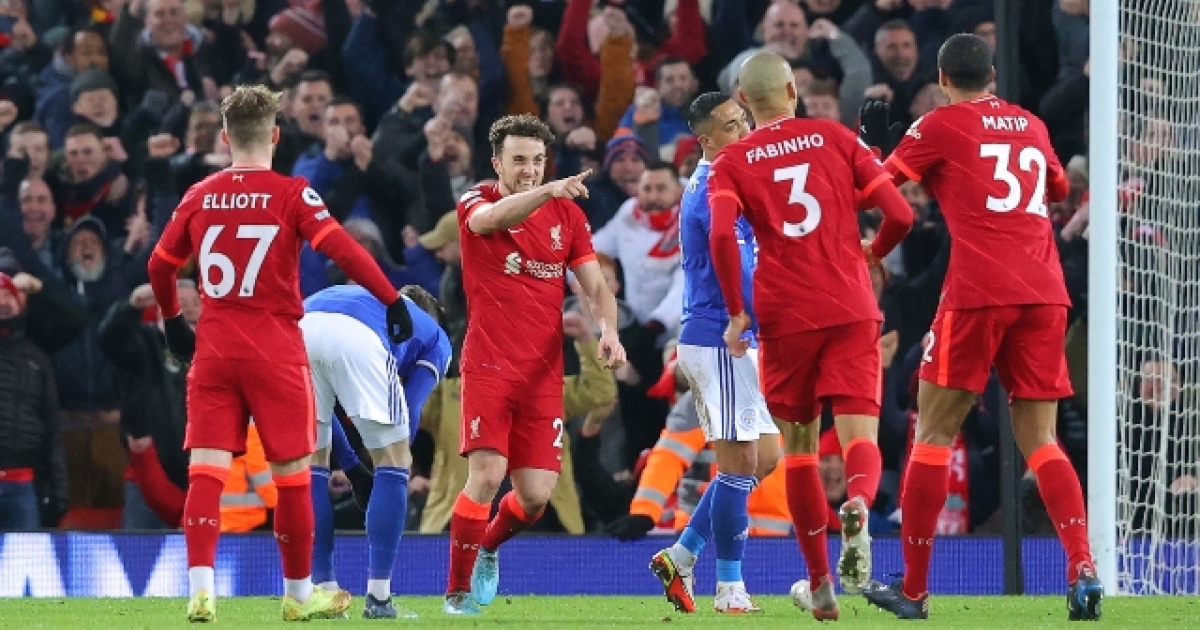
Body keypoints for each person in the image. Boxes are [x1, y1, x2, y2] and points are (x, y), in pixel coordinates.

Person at [146, 84, 415, 623]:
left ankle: (201, 592)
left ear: (226, 139)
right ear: (274, 136)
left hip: (215, 350)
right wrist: (390, 298)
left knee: (206, 472)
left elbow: (159, 265)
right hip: (275, 350)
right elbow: (343, 249)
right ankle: (298, 595)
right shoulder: (293, 193)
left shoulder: (200, 194)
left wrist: (174, 321)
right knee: (293, 475)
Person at [859, 34, 1102, 621]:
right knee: (1041, 439)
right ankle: (1082, 568)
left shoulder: (938, 124)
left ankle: (914, 590)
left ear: (943, 77)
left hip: (978, 290)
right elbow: (1058, 188)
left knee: (932, 434)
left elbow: (876, 190)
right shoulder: (1030, 124)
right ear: (991, 76)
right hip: (1043, 290)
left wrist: (870, 146)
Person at [706, 52, 913, 621]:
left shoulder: (732, 161)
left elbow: (721, 237)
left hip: (786, 314)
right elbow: (899, 213)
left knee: (799, 448)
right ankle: (860, 503)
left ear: (743, 102)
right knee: (859, 432)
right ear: (794, 90)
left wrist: (736, 312)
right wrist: (874, 252)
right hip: (850, 305)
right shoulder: (835, 137)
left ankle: (820, 587)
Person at [444, 114, 627, 616]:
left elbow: (594, 286)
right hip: (488, 365)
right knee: (487, 474)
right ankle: (456, 593)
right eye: (520, 160)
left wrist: (608, 330)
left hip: (543, 374)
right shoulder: (476, 200)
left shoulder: (568, 216)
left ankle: (487, 548)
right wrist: (548, 189)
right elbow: (491, 221)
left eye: (538, 160)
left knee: (534, 498)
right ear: (496, 162)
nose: (529, 169)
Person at [647, 91, 780, 614]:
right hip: (721, 334)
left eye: (743, 119)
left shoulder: (733, 178)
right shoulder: (710, 190)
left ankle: (681, 554)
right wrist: (761, 317)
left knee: (763, 458)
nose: (743, 130)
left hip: (735, 337)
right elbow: (740, 269)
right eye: (730, 125)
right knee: (739, 462)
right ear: (705, 140)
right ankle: (730, 588)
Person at [300, 283, 451, 619]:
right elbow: (411, 407)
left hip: (299, 327)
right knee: (395, 461)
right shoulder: (437, 337)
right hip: (358, 338)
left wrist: (354, 468)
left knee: (313, 462)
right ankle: (379, 599)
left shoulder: (360, 296)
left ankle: (325, 594)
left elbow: (327, 415)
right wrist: (392, 468)